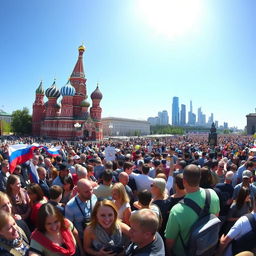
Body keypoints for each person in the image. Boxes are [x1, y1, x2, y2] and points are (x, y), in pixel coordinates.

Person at [165, 164, 220, 256]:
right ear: (200, 178)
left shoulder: (176, 210)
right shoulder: (212, 194)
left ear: (184, 181)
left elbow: (170, 241)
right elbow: (215, 217)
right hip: (206, 248)